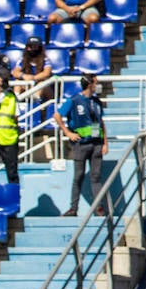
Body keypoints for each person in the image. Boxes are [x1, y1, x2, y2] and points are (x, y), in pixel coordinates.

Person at [54, 74, 108, 217]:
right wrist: (67, 132)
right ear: (89, 84)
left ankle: (99, 208)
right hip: (80, 144)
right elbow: (57, 116)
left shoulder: (96, 101)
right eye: (96, 83)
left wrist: (105, 143)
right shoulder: (74, 100)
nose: (97, 85)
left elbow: (100, 122)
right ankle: (73, 208)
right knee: (78, 176)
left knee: (96, 176)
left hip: (96, 143)